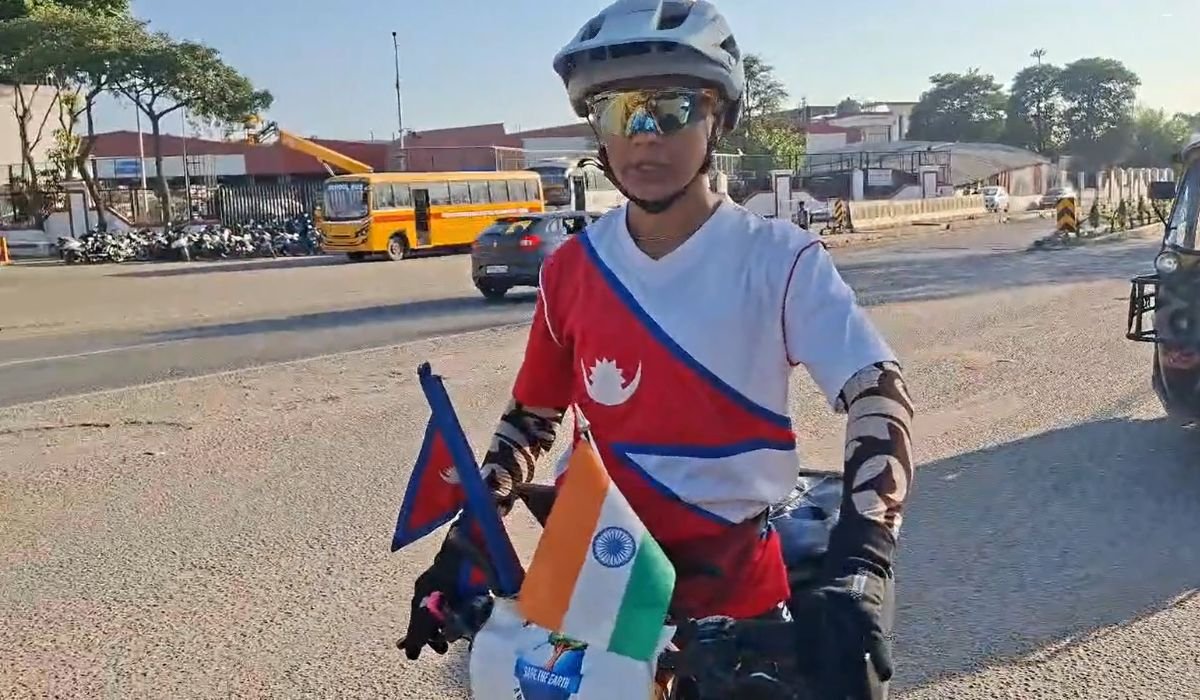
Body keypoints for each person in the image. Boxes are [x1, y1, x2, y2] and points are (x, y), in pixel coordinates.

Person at [401, 1, 915, 697]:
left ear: (719, 119)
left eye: (672, 108)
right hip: (598, 580)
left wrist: (864, 564)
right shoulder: (570, 270)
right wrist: (466, 536)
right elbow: (530, 419)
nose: (645, 136)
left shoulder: (780, 260)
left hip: (736, 594)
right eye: (619, 112)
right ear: (598, 133)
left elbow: (879, 393)